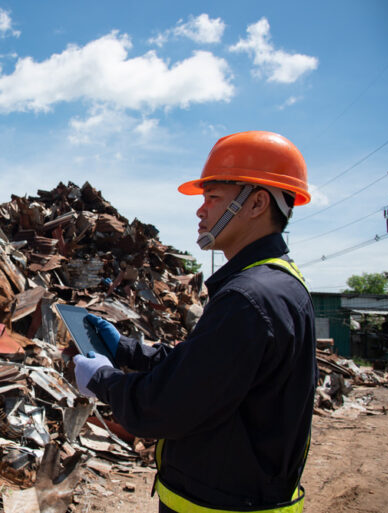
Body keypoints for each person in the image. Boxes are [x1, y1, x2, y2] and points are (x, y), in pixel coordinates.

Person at [73, 131, 317, 513]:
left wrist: (103, 380)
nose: (200, 211)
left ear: (255, 203)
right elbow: (206, 373)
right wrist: (126, 349)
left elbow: (168, 406)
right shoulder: (278, 283)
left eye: (213, 197)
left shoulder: (247, 300)